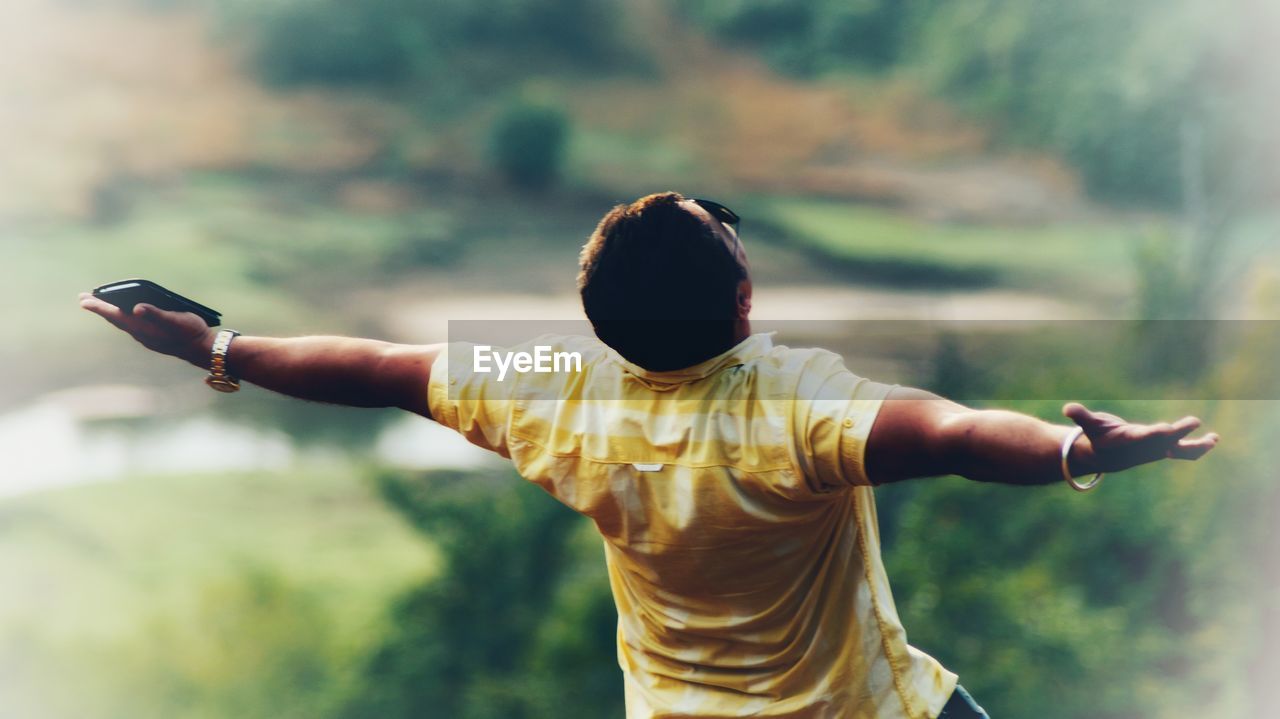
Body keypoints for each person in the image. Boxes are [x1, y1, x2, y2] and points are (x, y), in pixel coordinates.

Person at [79, 192, 1218, 719]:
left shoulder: (549, 392)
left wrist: (216, 346)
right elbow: (961, 437)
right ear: (741, 303)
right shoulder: (792, 404)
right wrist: (1079, 450)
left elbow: (370, 364)